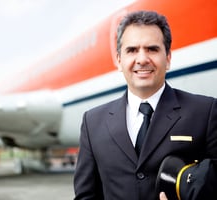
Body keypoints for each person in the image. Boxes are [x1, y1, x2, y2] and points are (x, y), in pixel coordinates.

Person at [73, 10, 217, 200]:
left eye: (152, 49)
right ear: (119, 60)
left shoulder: (205, 112)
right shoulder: (93, 122)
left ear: (168, 59)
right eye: (132, 50)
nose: (142, 59)